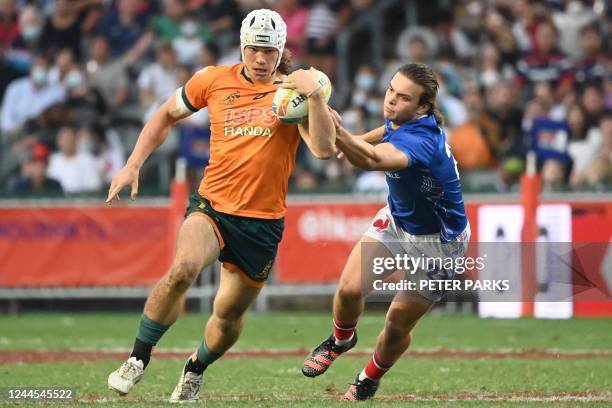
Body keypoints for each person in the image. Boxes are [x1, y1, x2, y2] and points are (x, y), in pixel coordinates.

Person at [106, 8, 335, 403]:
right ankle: (137, 358)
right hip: (212, 206)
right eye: (254, 50)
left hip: (262, 223)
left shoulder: (294, 94)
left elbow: (324, 149)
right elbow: (164, 114)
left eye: (269, 51)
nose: (261, 59)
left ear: (281, 52)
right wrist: (132, 163)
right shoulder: (212, 80)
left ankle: (195, 368)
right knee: (182, 270)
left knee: (227, 316)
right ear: (242, 48)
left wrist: (314, 96)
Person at [301, 63, 470, 401]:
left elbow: (372, 162)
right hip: (397, 221)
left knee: (396, 324)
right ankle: (341, 340)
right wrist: (330, 131)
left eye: (403, 97)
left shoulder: (422, 140)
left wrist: (335, 124)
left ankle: (368, 379)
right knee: (349, 290)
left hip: (439, 246)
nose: (391, 100)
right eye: (391, 90)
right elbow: (366, 143)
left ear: (422, 107)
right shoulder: (402, 121)